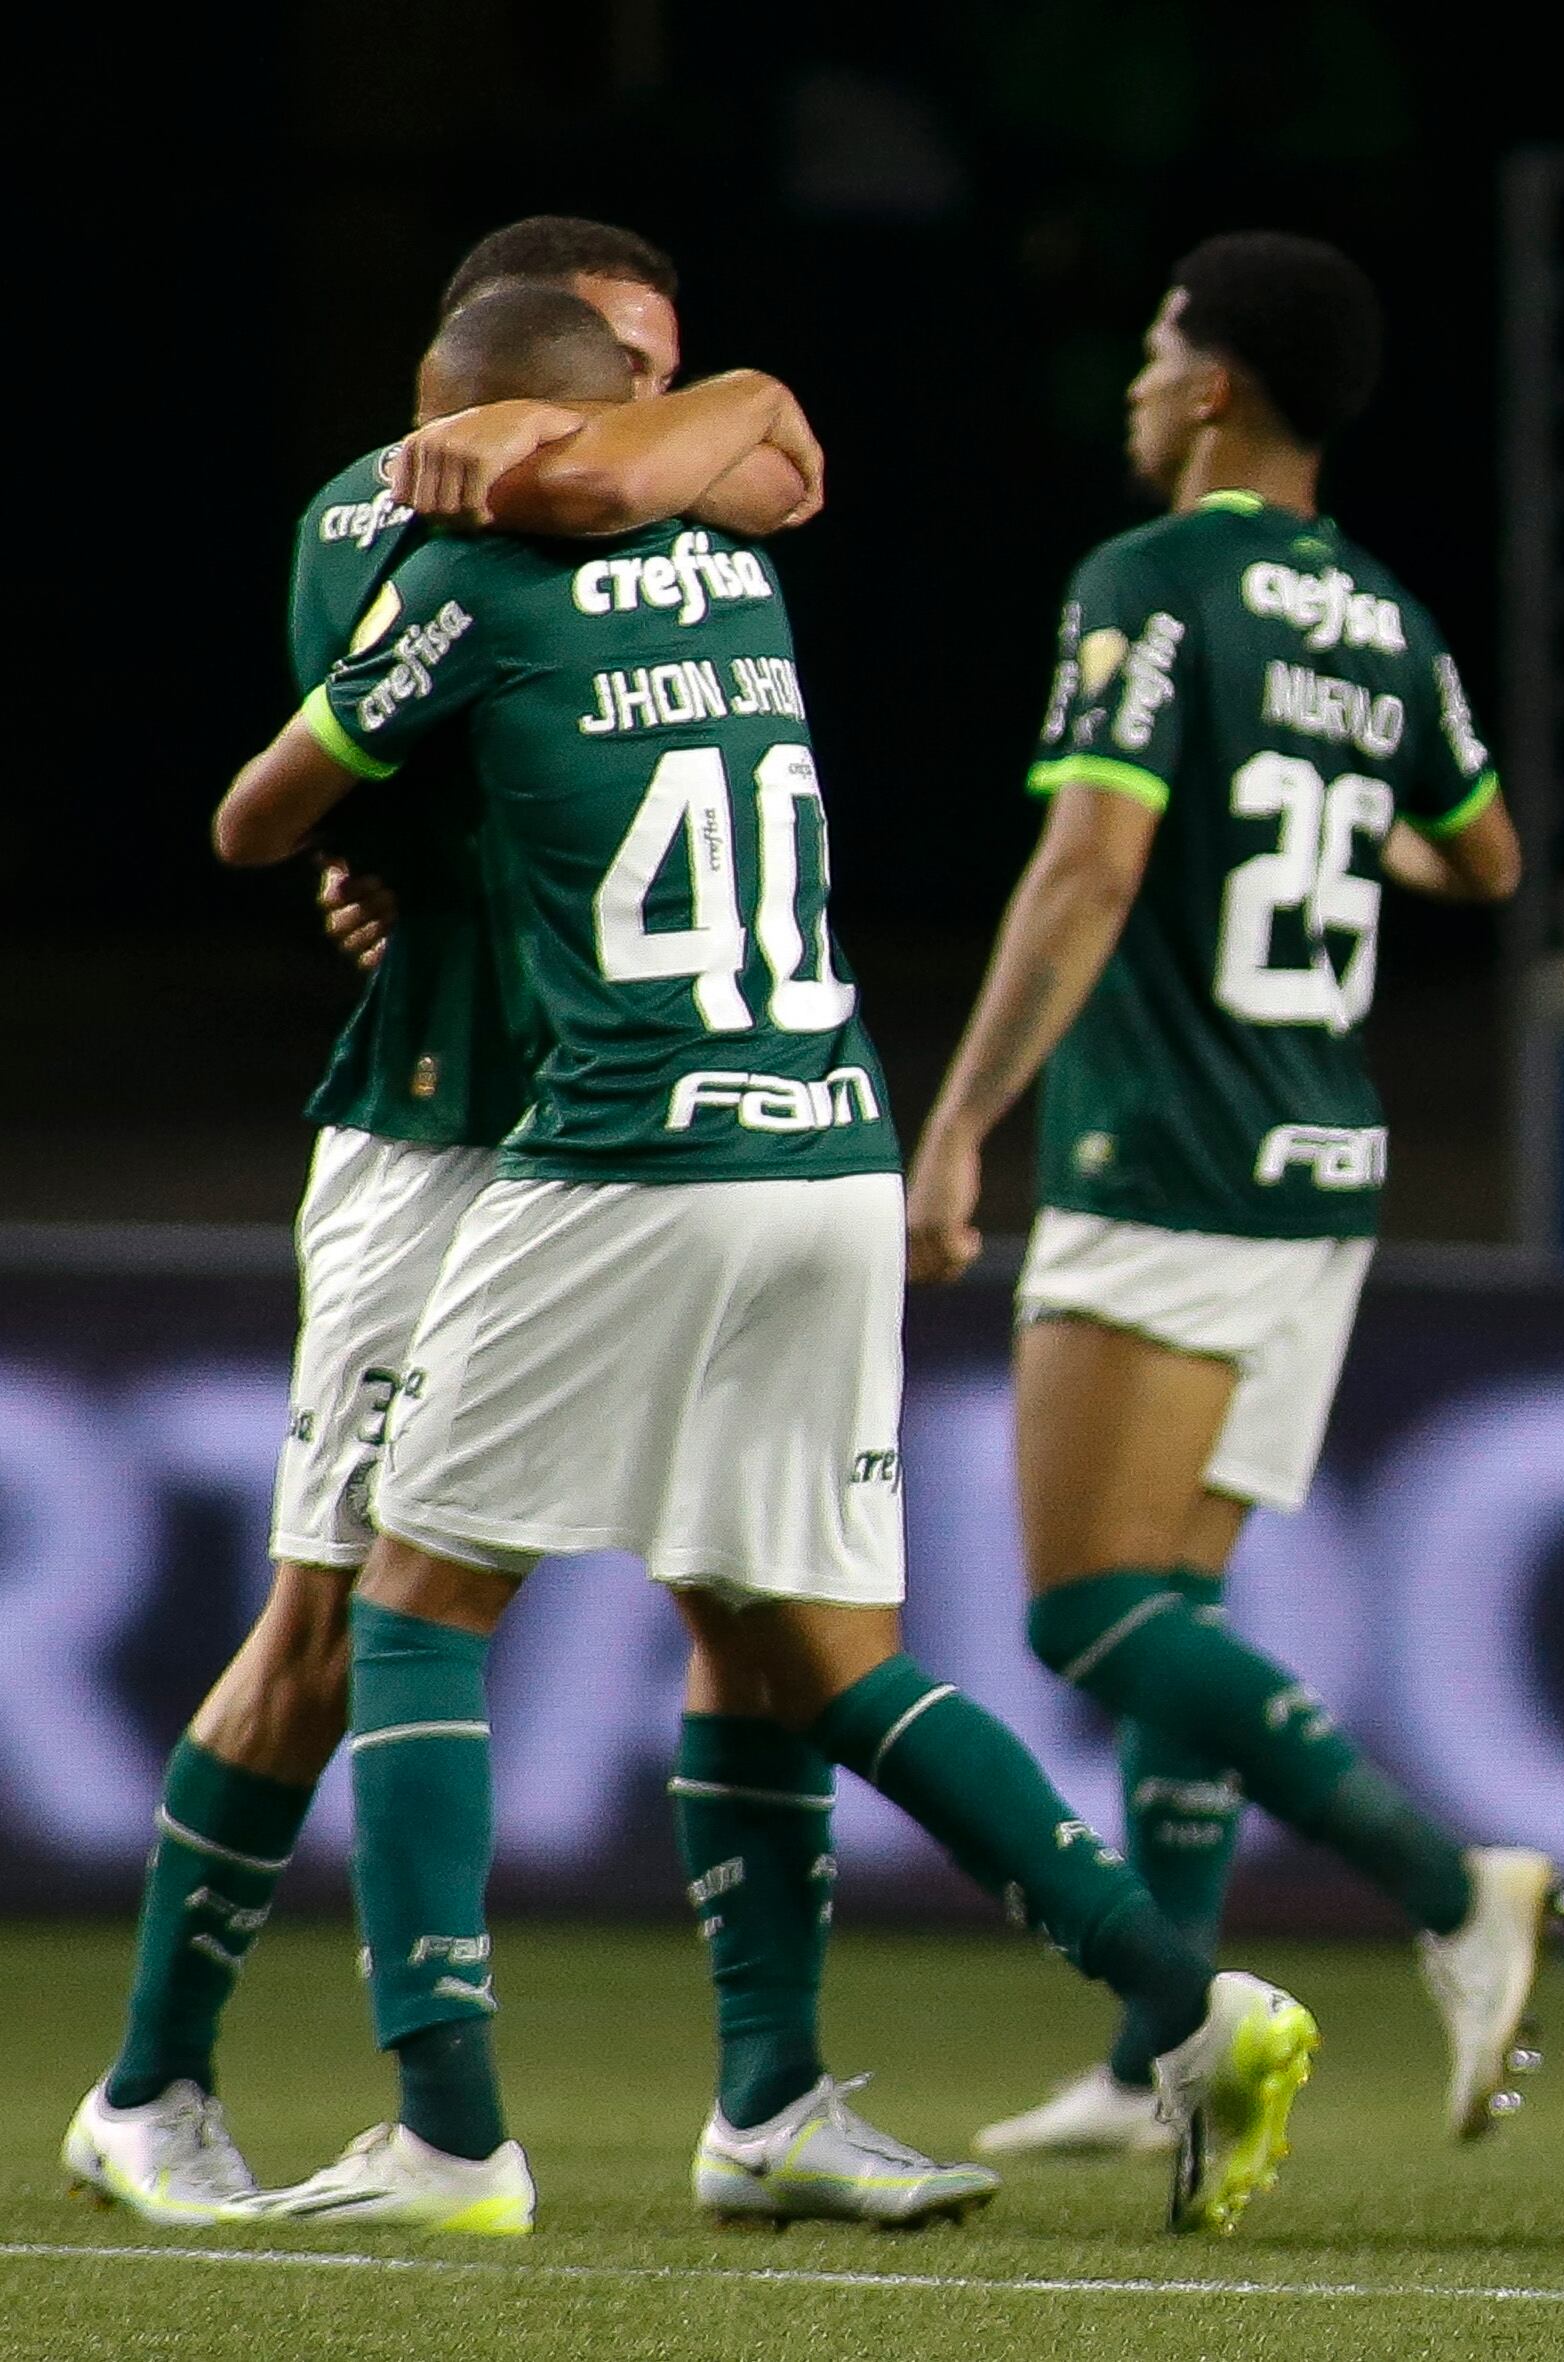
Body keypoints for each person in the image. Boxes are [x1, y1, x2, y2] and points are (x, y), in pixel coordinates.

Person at [202, 284, 1314, 2240]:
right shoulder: (725, 552)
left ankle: (446, 2136)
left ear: (483, 438)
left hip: (630, 1141)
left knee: (414, 1600)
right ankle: (1179, 1994)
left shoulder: (465, 585)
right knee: (816, 1642)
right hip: (827, 1134)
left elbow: (257, 816)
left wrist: (389, 761)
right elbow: (760, 430)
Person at [60, 218, 992, 2233]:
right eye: (611, 385)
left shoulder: (653, 507)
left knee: (749, 1617)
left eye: (666, 382)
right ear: (493, 379)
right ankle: (153, 2082)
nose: (638, 432)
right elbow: (380, 763)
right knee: (329, 1619)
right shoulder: (367, 519)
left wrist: (711, 433)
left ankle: (777, 2096)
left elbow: (759, 485)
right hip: (446, 1134)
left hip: (640, 1142)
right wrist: (378, 865)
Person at [901, 233, 1561, 2160]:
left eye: (1152, 347)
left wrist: (955, 1124)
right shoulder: (1385, 621)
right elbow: (1489, 855)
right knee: (1175, 1593)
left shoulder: (1148, 582)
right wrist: (1335, 817)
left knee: (1086, 1611)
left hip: (1166, 1149)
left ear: (1212, 389)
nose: (1130, 379)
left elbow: (1088, 869)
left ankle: (1448, 1887)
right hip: (1318, 1159)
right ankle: (1154, 2051)